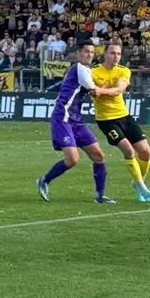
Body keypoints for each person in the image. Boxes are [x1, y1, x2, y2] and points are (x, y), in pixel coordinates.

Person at [37, 41, 116, 204]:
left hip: (76, 120)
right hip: (62, 117)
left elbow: (93, 90)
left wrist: (101, 88)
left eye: (92, 52)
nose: (89, 55)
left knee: (98, 155)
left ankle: (100, 196)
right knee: (72, 159)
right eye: (86, 52)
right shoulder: (79, 68)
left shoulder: (85, 70)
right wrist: (110, 88)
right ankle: (44, 180)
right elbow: (93, 90)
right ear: (78, 54)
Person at [91, 42, 150, 203]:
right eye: (112, 53)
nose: (116, 57)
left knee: (146, 152)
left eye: (119, 54)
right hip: (106, 120)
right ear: (104, 54)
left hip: (124, 116)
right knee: (128, 150)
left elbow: (119, 90)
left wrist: (101, 90)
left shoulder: (124, 70)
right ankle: (142, 187)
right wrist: (98, 91)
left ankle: (137, 182)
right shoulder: (93, 72)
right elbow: (92, 93)